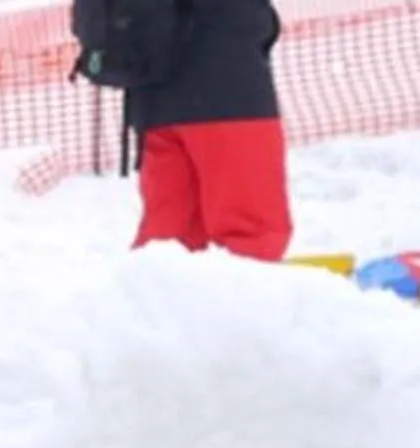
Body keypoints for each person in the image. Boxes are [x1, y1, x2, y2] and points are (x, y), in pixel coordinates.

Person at [113, 0, 292, 261]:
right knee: (250, 230)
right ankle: (250, 295)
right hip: (229, 93)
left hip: (155, 99)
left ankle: (156, 294)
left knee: (170, 235)